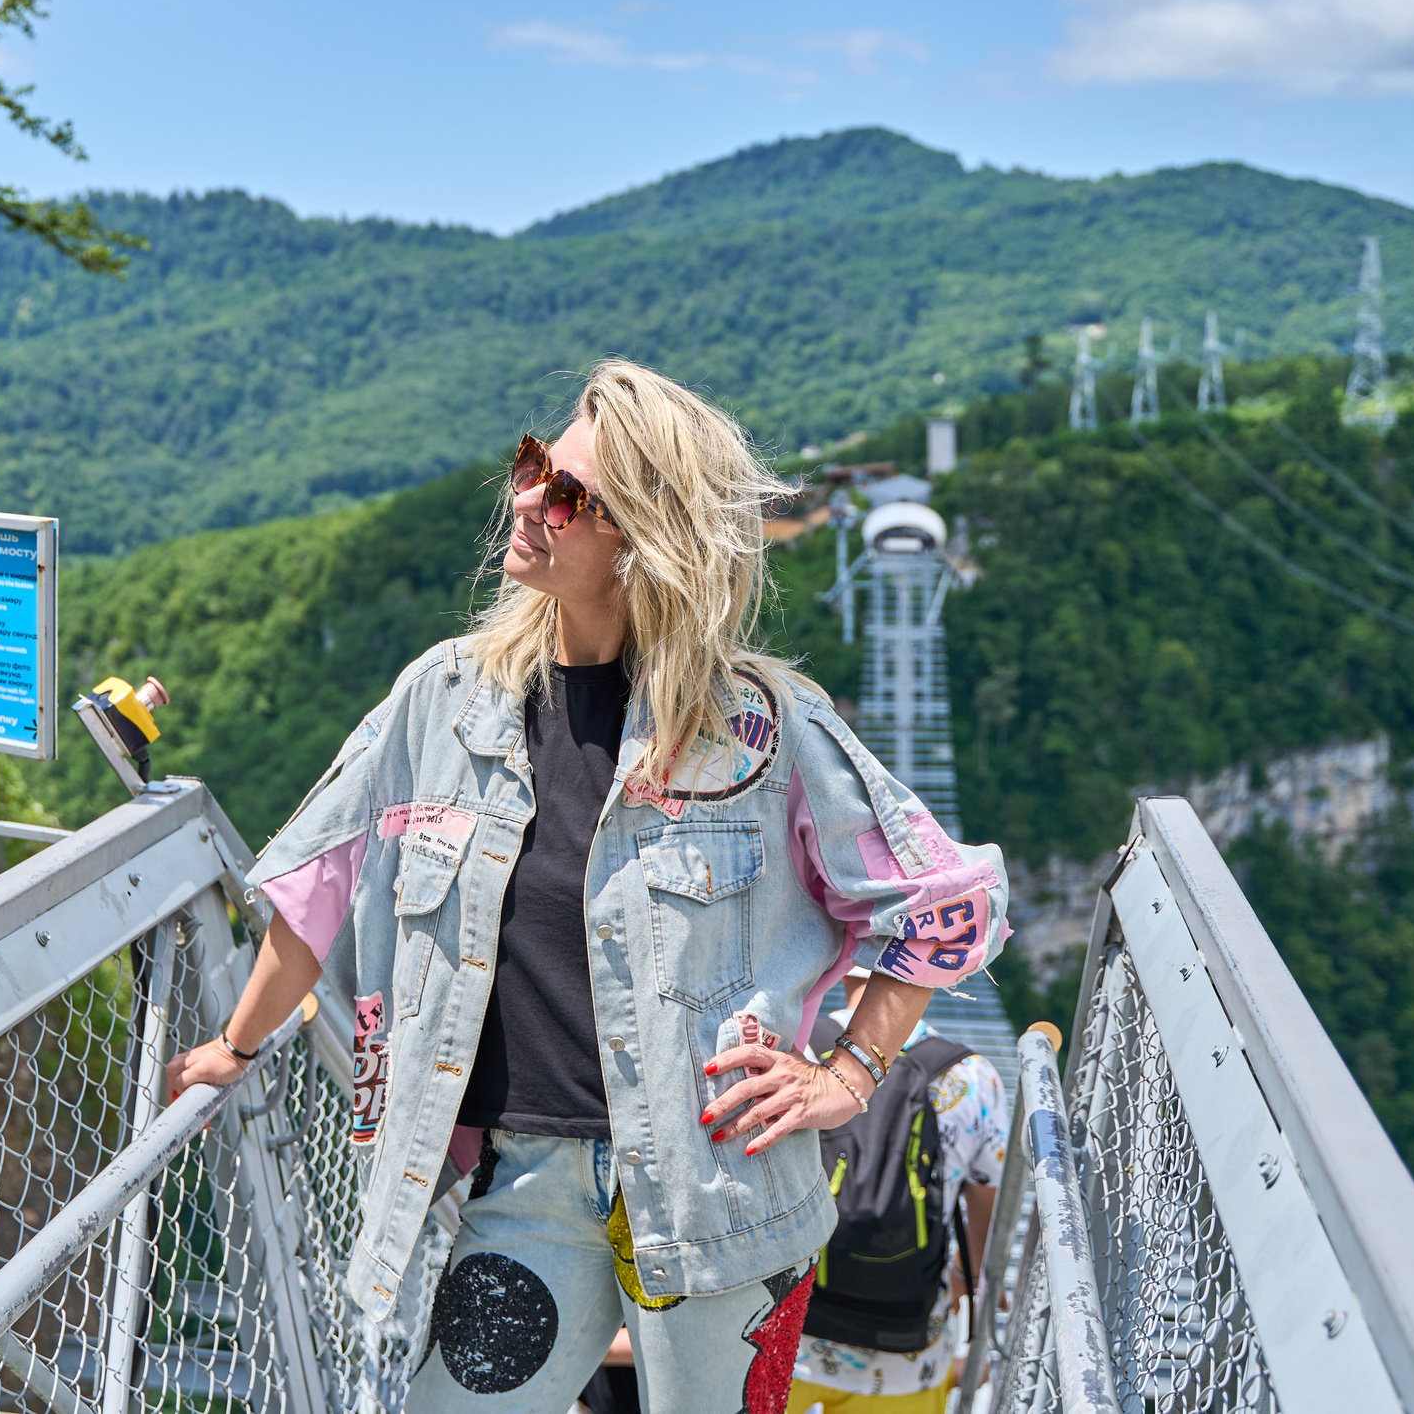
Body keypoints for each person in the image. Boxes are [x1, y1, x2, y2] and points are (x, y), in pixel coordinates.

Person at [165, 360, 1014, 1414]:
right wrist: (235, 1048)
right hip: (527, 1191)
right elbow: (317, 881)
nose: (526, 499)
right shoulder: (443, 700)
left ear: (641, 538)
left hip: (725, 1202)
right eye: (534, 464)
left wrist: (847, 1077)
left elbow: (944, 904)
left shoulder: (758, 728)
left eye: (566, 495)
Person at [787, 970, 1007, 1414]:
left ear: (842, 959)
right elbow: (987, 1209)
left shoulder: (799, 1053)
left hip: (786, 1337)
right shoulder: (972, 1075)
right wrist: (969, 1276)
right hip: (906, 1357)